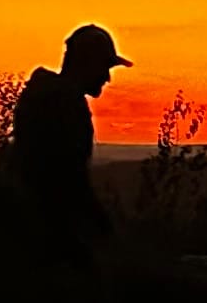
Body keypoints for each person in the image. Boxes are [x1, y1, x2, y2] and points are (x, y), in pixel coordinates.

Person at [10, 23, 126, 259]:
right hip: (47, 234)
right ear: (87, 63)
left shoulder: (47, 96)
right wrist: (103, 233)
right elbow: (68, 181)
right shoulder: (64, 105)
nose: (107, 77)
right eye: (104, 66)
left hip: (31, 223)